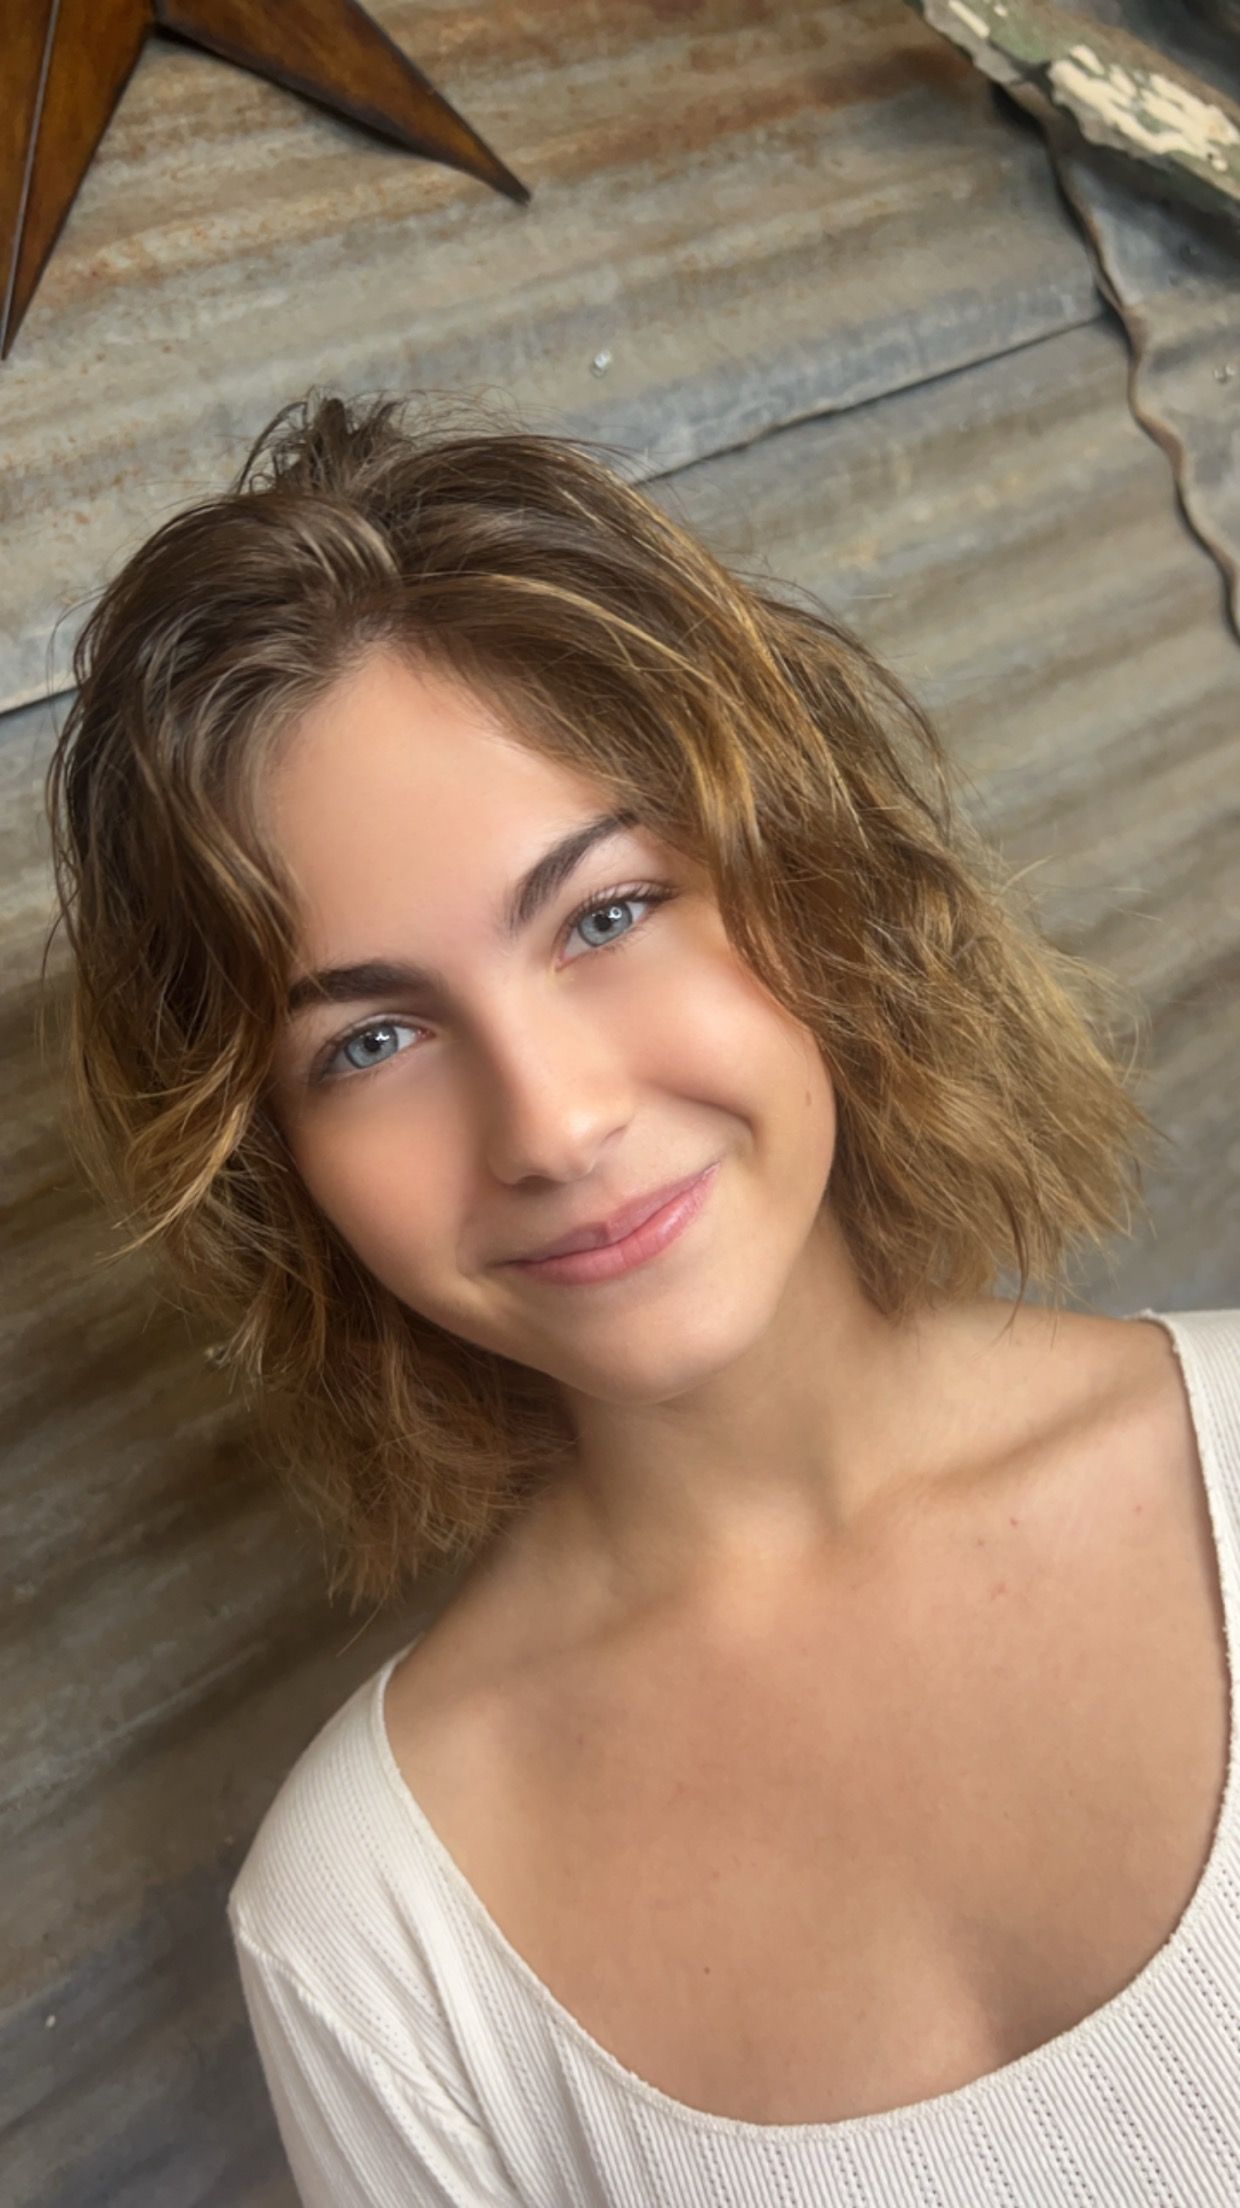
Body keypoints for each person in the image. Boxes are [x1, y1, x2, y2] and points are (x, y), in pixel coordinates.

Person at [44, 392, 1240, 2207]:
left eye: (603, 914)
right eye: (372, 1039)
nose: (555, 1122)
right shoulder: (376, 1926)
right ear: (275, 1169)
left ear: (811, 887)